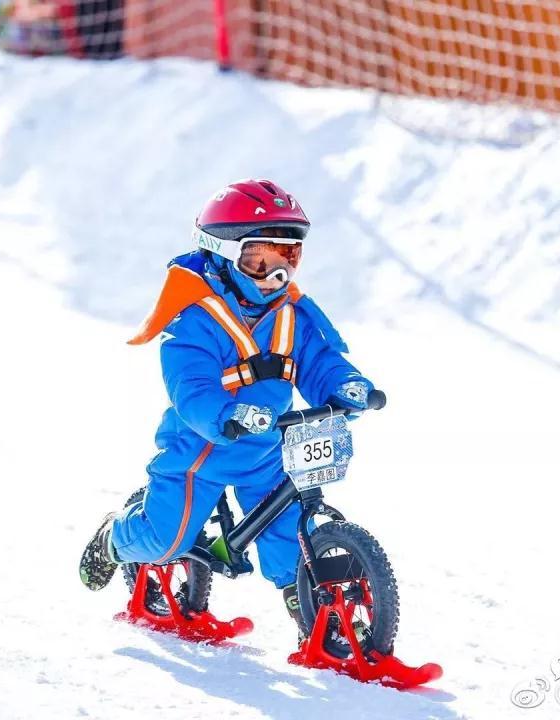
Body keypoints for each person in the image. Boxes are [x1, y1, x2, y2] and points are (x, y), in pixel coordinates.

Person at [78, 179, 375, 635]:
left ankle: (316, 620)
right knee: (166, 538)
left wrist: (347, 386)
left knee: (290, 533)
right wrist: (224, 415)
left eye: (288, 259)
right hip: (201, 451)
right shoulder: (195, 321)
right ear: (223, 253)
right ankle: (115, 539)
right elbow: (191, 388)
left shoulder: (292, 315)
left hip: (268, 448)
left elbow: (320, 362)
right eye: (261, 261)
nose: (277, 276)